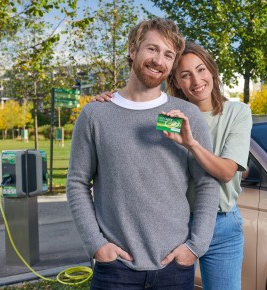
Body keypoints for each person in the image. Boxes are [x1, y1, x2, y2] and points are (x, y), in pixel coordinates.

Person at [66, 19, 220, 290]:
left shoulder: (186, 115)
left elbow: (207, 183)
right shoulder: (95, 115)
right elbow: (77, 183)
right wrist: (97, 245)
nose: (159, 60)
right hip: (115, 270)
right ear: (132, 49)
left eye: (168, 55)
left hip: (175, 267)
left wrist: (195, 247)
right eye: (152, 49)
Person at [95, 42, 252, 290]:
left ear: (212, 71)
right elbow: (135, 132)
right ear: (176, 81)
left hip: (222, 224)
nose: (196, 81)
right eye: (185, 75)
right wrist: (113, 100)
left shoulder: (237, 112)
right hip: (172, 225)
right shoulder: (167, 116)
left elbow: (226, 172)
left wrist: (191, 144)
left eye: (201, 70)